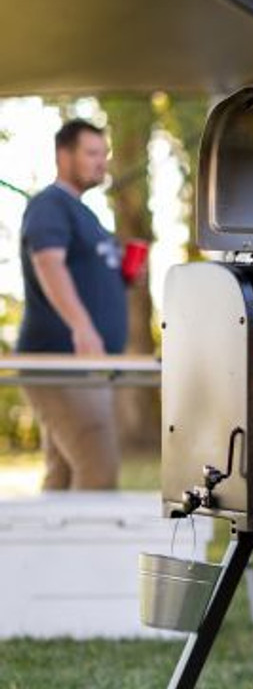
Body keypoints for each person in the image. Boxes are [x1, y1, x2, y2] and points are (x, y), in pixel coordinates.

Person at [18, 118, 130, 490]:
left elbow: (90, 279)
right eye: (92, 153)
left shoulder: (87, 215)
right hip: (61, 360)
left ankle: (39, 551)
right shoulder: (50, 204)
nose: (102, 162)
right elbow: (48, 263)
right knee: (98, 469)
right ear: (63, 155)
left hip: (83, 364)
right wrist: (83, 327)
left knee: (62, 477)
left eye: (105, 154)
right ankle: (93, 552)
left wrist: (125, 276)